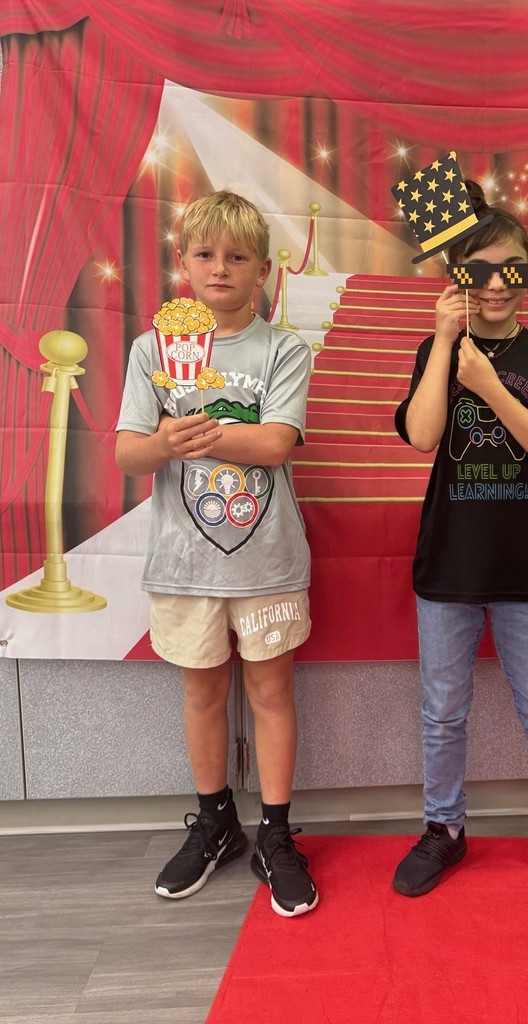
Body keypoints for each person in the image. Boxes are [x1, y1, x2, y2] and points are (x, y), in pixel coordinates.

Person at [392, 181, 528, 896]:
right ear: (457, 278)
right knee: (442, 712)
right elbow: (424, 435)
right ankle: (442, 829)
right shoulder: (437, 347)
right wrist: (447, 344)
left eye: (511, 269)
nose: (495, 285)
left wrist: (489, 386)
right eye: (477, 270)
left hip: (525, 565)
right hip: (447, 565)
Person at [116, 190, 317, 918]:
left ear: (263, 269)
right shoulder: (152, 350)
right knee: (202, 692)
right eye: (205, 254)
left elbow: (274, 443)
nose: (220, 268)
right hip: (183, 564)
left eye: (237, 257)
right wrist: (164, 441)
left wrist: (183, 431)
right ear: (182, 264)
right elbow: (129, 454)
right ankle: (215, 820)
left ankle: (278, 832)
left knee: (271, 694)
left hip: (266, 560)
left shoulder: (282, 348)